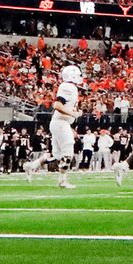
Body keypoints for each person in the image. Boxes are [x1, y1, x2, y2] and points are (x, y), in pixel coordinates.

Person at [46, 62, 84, 191]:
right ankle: (62, 181)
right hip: (60, 122)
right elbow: (57, 105)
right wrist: (72, 113)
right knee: (68, 151)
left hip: (61, 122)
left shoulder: (71, 87)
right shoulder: (68, 86)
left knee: (57, 156)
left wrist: (75, 114)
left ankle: (32, 166)